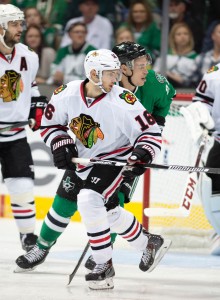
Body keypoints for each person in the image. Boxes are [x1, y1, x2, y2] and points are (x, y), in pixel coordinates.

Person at [15, 48, 172, 290]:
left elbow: (150, 134)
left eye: (117, 73)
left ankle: (103, 265)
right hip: (84, 159)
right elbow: (50, 124)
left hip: (114, 158)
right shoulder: (66, 94)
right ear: (94, 73)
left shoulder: (124, 101)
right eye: (110, 74)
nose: (116, 79)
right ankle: (146, 242)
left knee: (89, 200)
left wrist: (141, 154)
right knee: (101, 209)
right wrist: (61, 143)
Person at [0, 4, 48, 251]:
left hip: (15, 135)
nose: (21, 28)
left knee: (23, 186)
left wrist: (36, 109)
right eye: (15, 24)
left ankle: (28, 236)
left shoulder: (29, 56)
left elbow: (32, 90)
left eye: (21, 23)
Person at [181, 63, 220, 255]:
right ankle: (219, 230)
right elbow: (202, 101)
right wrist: (202, 117)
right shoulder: (216, 73)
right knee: (211, 185)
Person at [47, 22, 96, 86]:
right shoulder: (63, 51)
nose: (80, 35)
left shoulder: (93, 53)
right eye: (77, 32)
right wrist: (56, 75)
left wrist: (65, 78)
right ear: (69, 34)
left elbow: (91, 79)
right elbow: (54, 69)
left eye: (83, 32)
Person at [154, 22, 197, 88]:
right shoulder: (164, 55)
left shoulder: (196, 58)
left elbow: (195, 80)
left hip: (185, 90)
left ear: (190, 37)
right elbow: (155, 73)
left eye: (186, 34)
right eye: (178, 34)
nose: (183, 37)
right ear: (173, 38)